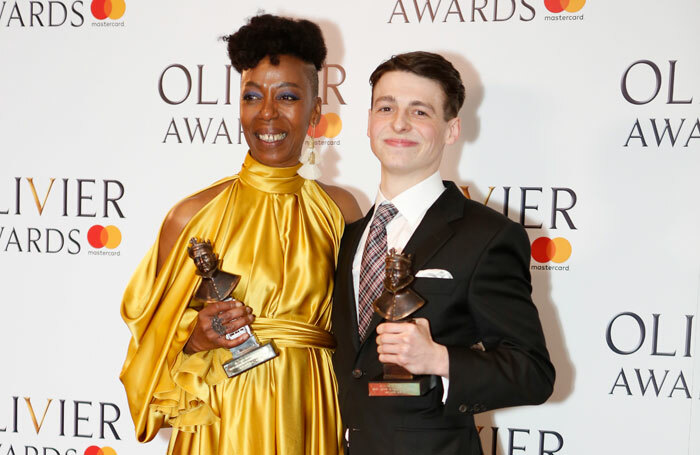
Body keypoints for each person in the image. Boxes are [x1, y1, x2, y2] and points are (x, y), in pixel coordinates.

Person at [120, 14, 361, 455]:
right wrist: (195, 335)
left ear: (315, 113)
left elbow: (358, 331)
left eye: (287, 96)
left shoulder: (340, 211)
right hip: (223, 417)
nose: (267, 112)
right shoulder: (193, 215)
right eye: (253, 97)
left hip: (310, 405)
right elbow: (148, 343)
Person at [332, 51, 555, 454]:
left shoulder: (487, 236)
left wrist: (439, 359)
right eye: (386, 107)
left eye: (420, 112)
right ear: (368, 122)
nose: (398, 123)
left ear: (451, 130)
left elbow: (533, 373)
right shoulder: (345, 236)